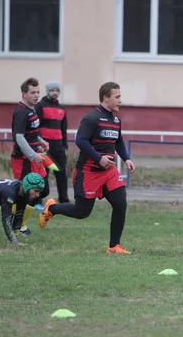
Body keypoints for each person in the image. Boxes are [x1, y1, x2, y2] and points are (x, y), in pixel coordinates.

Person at [38, 82, 136, 254]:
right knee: (82, 212)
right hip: (89, 171)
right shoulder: (92, 117)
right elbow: (80, 140)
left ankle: (114, 246)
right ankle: (51, 208)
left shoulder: (116, 120)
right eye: (117, 97)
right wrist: (99, 159)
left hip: (109, 173)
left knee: (120, 204)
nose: (120, 100)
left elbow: (118, 141)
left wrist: (126, 158)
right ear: (106, 98)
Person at [11, 77, 50, 236]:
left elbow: (31, 133)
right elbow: (19, 138)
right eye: (32, 92)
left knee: (42, 190)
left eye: (38, 92)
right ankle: (18, 225)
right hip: (24, 160)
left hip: (34, 157)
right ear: (24, 94)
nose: (36, 95)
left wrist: (41, 141)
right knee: (26, 193)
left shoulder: (31, 109)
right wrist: (34, 155)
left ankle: (18, 222)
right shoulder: (21, 112)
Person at [0, 173, 45, 246]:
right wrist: (14, 241)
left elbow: (19, 215)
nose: (37, 195)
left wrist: (15, 236)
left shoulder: (21, 191)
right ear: (27, 187)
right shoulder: (9, 192)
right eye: (36, 191)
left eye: (39, 191)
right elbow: (6, 219)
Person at [35, 81, 70, 204]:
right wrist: (39, 144)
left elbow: (63, 128)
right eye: (52, 90)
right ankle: (38, 200)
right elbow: (35, 126)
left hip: (59, 146)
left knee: (61, 174)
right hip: (45, 147)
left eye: (57, 90)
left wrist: (65, 145)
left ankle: (64, 200)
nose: (55, 93)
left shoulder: (62, 109)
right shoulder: (40, 106)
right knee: (43, 174)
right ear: (48, 91)